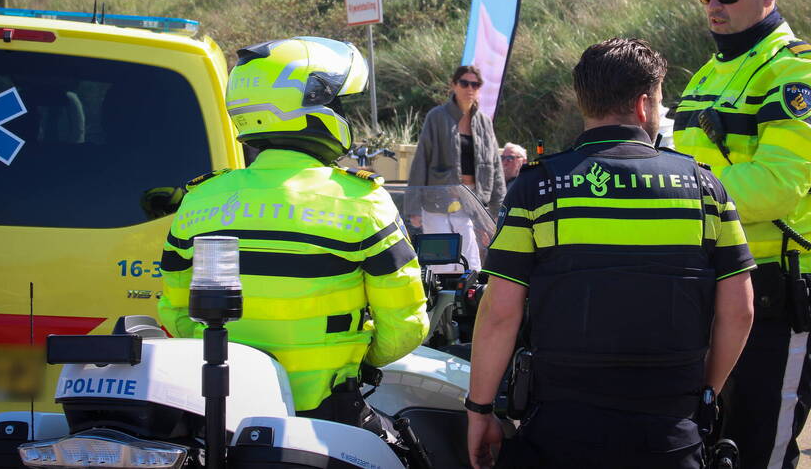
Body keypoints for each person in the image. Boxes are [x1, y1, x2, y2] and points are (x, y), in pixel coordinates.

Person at [466, 38, 756, 469]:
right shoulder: (704, 190)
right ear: (643, 105)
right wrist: (706, 393)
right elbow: (741, 310)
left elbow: (499, 313)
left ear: (586, 101)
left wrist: (480, 411)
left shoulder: (537, 189)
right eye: (660, 103)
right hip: (670, 432)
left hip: (560, 431)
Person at [157, 36, 429, 432]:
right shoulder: (361, 200)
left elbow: (176, 312)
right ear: (312, 107)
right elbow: (405, 327)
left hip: (219, 412)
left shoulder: (200, 200)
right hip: (325, 417)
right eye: (338, 103)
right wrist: (355, 358)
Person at [672, 0, 811, 469]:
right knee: (707, 445)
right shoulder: (708, 73)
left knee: (758, 451)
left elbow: (774, 186)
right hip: (711, 285)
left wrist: (677, 202)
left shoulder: (797, 73)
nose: (713, 5)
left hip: (775, 287)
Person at [406, 65, 506, 271]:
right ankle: (440, 300)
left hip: (473, 201)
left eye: (475, 84)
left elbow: (495, 166)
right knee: (439, 261)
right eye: (464, 83)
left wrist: (499, 208)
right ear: (454, 85)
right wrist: (413, 207)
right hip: (437, 200)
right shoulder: (437, 116)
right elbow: (421, 161)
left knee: (470, 261)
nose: (470, 88)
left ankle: (468, 301)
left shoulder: (484, 122)